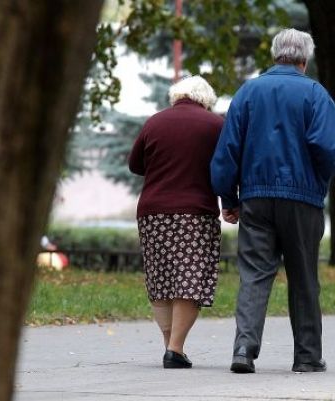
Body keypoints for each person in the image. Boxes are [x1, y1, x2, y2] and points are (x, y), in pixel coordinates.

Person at [210, 28, 335, 374]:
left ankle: (243, 348)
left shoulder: (248, 92)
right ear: (304, 59)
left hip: (255, 197)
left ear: (275, 55)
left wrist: (229, 196)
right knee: (303, 277)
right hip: (301, 198)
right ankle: (307, 356)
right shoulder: (315, 93)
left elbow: (228, 149)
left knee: (254, 274)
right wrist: (319, 183)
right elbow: (328, 148)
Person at [129, 76, 223, 369]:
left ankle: (171, 347)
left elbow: (135, 165)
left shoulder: (154, 122)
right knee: (189, 281)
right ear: (206, 99)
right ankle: (175, 348)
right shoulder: (215, 125)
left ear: (176, 96)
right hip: (194, 212)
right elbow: (227, 164)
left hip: (152, 212)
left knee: (161, 279)